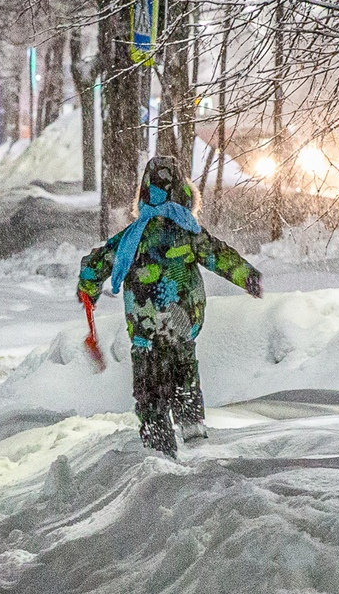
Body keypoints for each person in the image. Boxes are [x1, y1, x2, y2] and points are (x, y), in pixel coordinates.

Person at [75, 154, 261, 456]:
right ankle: (193, 433)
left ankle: (157, 441)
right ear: (182, 192)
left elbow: (95, 264)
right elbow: (221, 256)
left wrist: (87, 288)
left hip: (145, 332)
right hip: (181, 325)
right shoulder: (189, 233)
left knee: (150, 390)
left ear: (144, 194)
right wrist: (250, 279)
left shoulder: (132, 237)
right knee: (185, 376)